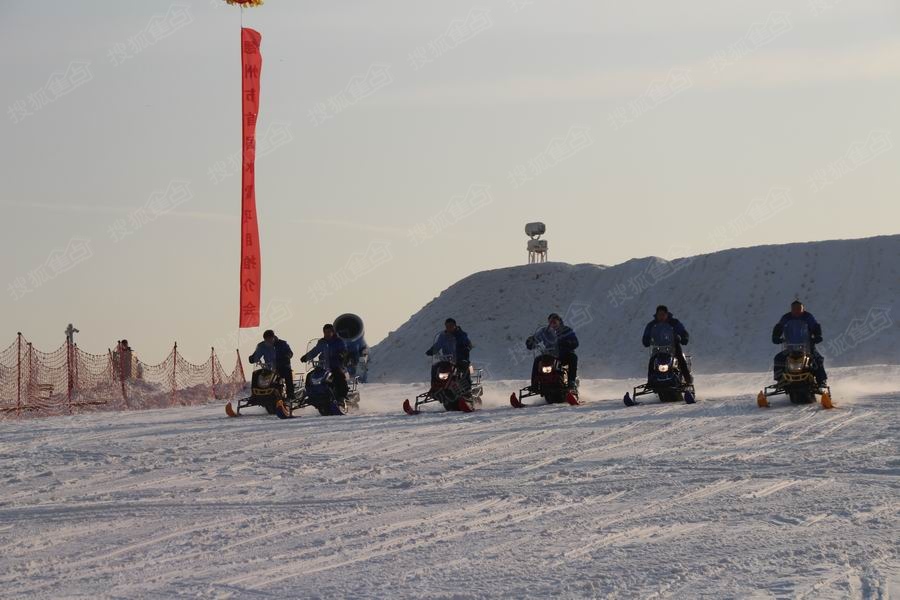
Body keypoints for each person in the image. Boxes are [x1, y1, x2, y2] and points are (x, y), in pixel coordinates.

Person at [772, 300, 827, 384]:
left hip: (807, 347)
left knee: (817, 359)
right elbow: (779, 326)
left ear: (803, 309)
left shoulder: (808, 317)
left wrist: (817, 336)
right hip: (790, 348)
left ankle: (821, 380)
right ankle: (780, 379)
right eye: (794, 309)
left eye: (799, 309)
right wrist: (776, 336)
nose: (796, 311)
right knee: (778, 358)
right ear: (791, 309)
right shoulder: (786, 318)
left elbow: (815, 326)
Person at [526, 312, 579, 390]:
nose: (553, 324)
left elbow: (575, 342)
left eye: (554, 322)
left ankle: (571, 382)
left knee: (573, 357)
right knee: (538, 360)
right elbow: (536, 338)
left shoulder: (566, 330)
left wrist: (568, 343)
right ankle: (534, 384)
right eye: (551, 322)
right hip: (550, 355)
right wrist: (530, 341)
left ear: (559, 322)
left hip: (563, 355)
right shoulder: (544, 331)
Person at [642, 305, 693, 384]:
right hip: (657, 348)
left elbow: (683, 331)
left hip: (673, 346)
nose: (661, 317)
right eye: (659, 315)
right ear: (656, 315)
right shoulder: (652, 325)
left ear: (667, 314)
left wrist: (684, 338)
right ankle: (651, 381)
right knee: (652, 361)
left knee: (680, 359)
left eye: (663, 314)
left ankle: (687, 380)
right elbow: (646, 335)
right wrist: (646, 340)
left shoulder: (674, 322)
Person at [301, 324, 350, 400]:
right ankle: (310, 393)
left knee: (338, 375)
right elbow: (315, 351)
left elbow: (344, 350)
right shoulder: (322, 342)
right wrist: (306, 357)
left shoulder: (338, 341)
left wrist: (342, 354)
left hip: (335, 364)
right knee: (310, 375)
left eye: (328, 332)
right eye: (325, 332)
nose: (326, 334)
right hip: (323, 365)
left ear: (332, 332)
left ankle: (343, 395)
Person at [425, 318, 473, 387]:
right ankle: (435, 386)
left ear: (455, 326)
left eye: (451, 326)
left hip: (460, 358)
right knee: (435, 367)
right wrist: (432, 350)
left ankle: (468, 389)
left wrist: (466, 348)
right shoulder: (443, 336)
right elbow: (438, 344)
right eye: (447, 326)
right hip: (447, 359)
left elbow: (468, 344)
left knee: (464, 368)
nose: (449, 328)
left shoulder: (461, 335)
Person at [249, 329, 295, 399]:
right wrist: (253, 358)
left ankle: (290, 394)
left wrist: (287, 356)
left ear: (273, 337)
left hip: (282, 366)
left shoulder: (282, 344)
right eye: (266, 340)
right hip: (269, 368)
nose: (268, 342)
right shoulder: (262, 346)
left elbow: (290, 352)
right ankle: (254, 394)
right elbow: (257, 354)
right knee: (256, 374)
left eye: (270, 339)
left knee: (287, 373)